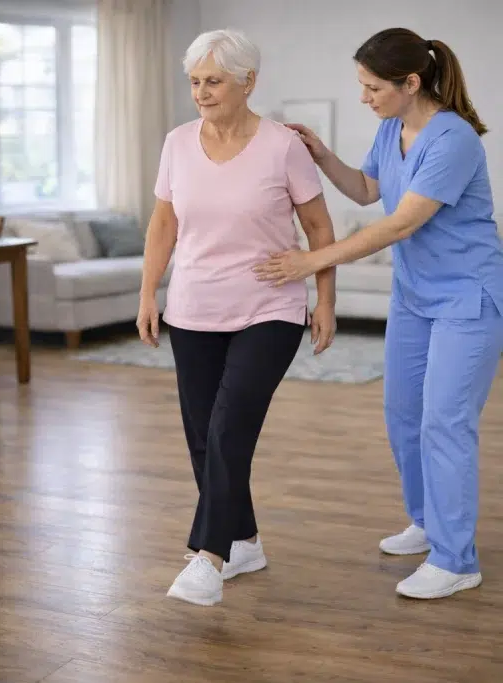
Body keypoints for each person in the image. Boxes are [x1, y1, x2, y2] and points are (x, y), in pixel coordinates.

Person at [255, 28, 503, 600]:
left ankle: (456, 557)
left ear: (409, 83)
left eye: (372, 88)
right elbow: (368, 190)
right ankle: (428, 521)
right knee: (403, 416)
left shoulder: (454, 139)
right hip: (415, 296)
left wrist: (310, 262)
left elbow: (399, 223)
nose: (365, 97)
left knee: (445, 422)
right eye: (361, 87)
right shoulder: (392, 128)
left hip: (468, 297)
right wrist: (322, 155)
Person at [137, 28, 338, 607]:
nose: (201, 92)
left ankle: (210, 557)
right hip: (194, 307)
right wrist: (149, 293)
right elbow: (163, 226)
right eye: (195, 81)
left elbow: (320, 230)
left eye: (214, 81)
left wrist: (324, 300)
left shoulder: (282, 147)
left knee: (229, 427)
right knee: (203, 436)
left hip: (269, 308)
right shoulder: (177, 143)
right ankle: (244, 539)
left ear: (249, 82)